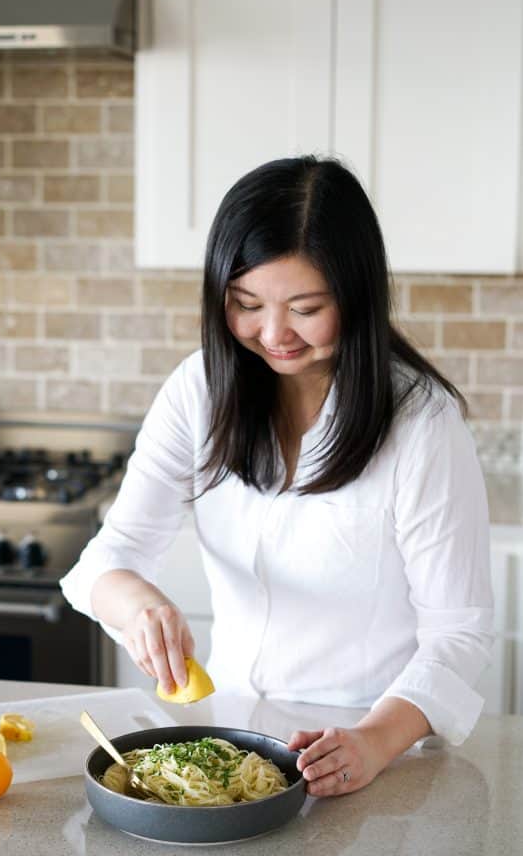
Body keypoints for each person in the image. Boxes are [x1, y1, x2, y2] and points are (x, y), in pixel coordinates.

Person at [61, 155, 493, 798]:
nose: (272, 334)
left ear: (356, 295)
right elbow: (105, 561)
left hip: (372, 748)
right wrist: (139, 604)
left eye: (305, 307)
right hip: (233, 742)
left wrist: (372, 743)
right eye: (246, 304)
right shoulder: (200, 390)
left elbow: (459, 635)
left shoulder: (421, 423)